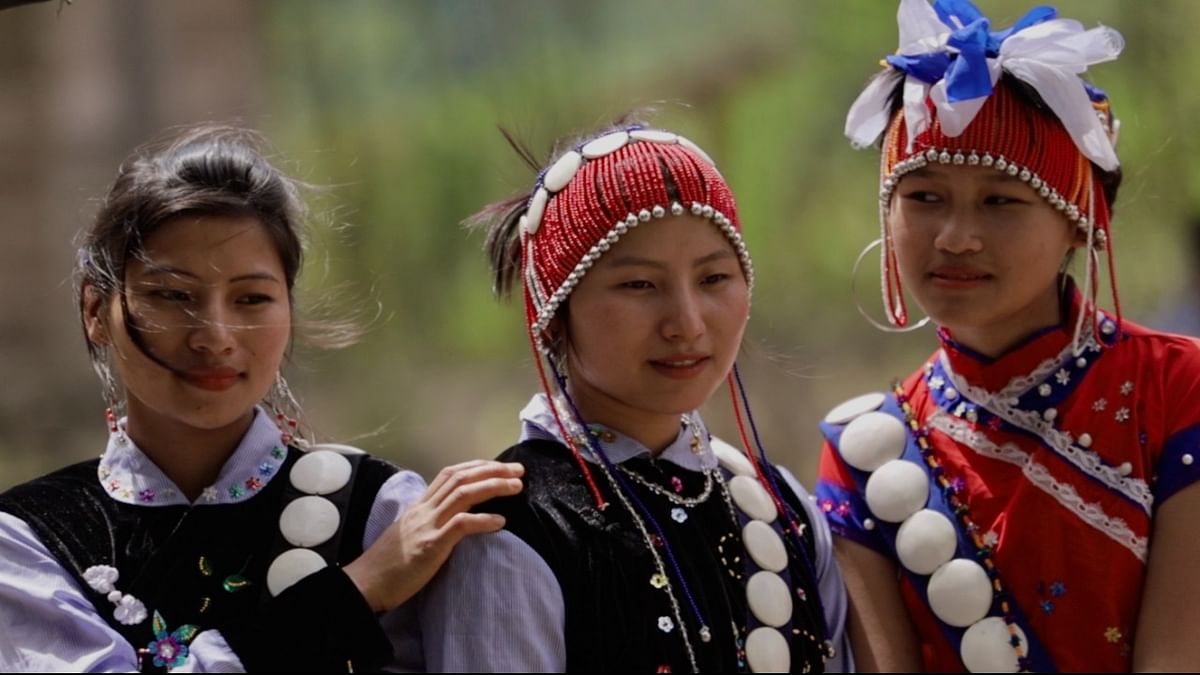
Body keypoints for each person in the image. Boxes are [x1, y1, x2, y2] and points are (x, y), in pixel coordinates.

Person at [0, 125, 523, 672]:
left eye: (252, 298)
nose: (216, 335)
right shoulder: (32, 536)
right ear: (94, 311)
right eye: (172, 296)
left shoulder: (383, 512)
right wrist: (358, 589)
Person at [815, 0, 1200, 671]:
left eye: (1001, 201)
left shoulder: (1178, 391)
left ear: (1082, 220)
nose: (956, 237)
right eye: (924, 197)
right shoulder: (866, 454)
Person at [416, 119, 852, 673]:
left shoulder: (781, 510)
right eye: (639, 285)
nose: (687, 324)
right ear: (554, 312)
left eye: (714, 278)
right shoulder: (512, 528)